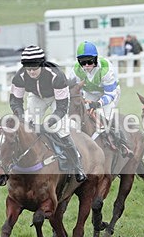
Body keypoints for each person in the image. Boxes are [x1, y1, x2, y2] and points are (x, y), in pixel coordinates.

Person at [9, 45, 86, 182]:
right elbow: (15, 101)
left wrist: (48, 123)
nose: (31, 72)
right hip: (36, 97)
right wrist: (21, 116)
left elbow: (62, 107)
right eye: (28, 69)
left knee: (61, 129)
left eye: (34, 68)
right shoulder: (19, 76)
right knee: (25, 125)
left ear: (42, 64)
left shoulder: (57, 76)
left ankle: (77, 166)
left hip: (57, 99)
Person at [69, 41, 126, 153]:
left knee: (104, 117)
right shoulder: (75, 70)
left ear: (96, 58)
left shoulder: (105, 68)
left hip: (110, 93)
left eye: (90, 61)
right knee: (81, 115)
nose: (86, 65)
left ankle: (120, 143)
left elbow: (110, 94)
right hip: (90, 93)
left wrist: (98, 103)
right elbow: (74, 89)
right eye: (83, 62)